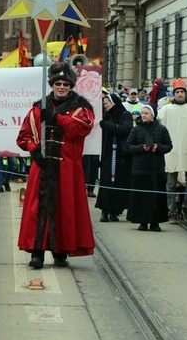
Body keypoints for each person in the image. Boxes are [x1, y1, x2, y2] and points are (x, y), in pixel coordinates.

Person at [16, 62, 95, 268]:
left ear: (71, 86)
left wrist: (55, 118)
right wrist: (34, 150)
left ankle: (61, 252)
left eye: (66, 84)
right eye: (58, 83)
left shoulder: (81, 108)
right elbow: (24, 135)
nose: (61, 87)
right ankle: (37, 253)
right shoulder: (38, 107)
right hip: (42, 167)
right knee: (37, 209)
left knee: (65, 210)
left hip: (67, 168)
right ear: (52, 84)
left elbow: (81, 129)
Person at [157, 79, 187, 224]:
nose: (179, 95)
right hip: (172, 151)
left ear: (185, 93)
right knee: (171, 184)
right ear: (174, 94)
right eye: (177, 92)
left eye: (182, 92)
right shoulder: (166, 110)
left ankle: (185, 207)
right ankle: (172, 212)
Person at [125, 105, 173, 231]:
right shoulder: (136, 129)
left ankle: (155, 222)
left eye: (146, 113)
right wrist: (142, 148)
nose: (144, 115)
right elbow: (128, 147)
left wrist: (158, 148)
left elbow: (169, 146)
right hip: (140, 169)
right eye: (142, 113)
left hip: (156, 169)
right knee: (141, 197)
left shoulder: (161, 129)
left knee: (156, 197)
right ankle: (142, 222)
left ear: (152, 114)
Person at [96, 92, 133, 222]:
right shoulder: (105, 115)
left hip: (120, 155)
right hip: (108, 152)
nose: (104, 106)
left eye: (106, 103)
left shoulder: (125, 114)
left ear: (113, 103)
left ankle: (115, 210)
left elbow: (126, 129)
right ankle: (104, 210)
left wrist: (108, 125)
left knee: (118, 182)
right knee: (106, 181)